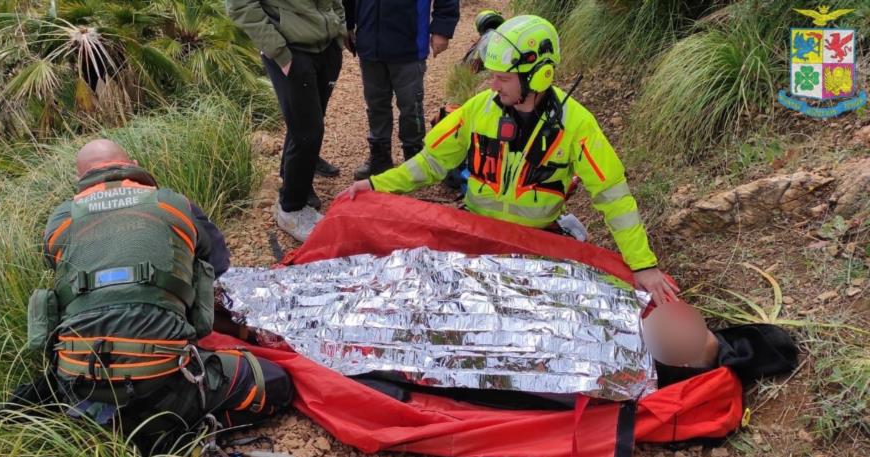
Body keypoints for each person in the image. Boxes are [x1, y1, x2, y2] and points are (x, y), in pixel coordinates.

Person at [337, 15, 679, 307]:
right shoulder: (477, 110)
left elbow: (613, 197)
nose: (492, 84)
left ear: (539, 76)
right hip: (475, 235)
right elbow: (429, 164)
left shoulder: (577, 125)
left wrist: (642, 265)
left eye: (502, 77)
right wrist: (377, 184)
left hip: (537, 244)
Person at [35, 139, 293, 454]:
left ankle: (111, 432)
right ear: (129, 164)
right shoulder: (171, 203)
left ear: (81, 177)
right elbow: (218, 266)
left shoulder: (60, 219)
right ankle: (185, 430)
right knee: (276, 383)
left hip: (80, 389)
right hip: (166, 384)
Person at [226, 0, 348, 241]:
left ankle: (292, 181)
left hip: (326, 46)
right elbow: (240, 6)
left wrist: (339, 30)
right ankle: (291, 207)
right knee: (308, 132)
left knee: (307, 124)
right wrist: (279, 52)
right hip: (291, 51)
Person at [343, 0, 460, 180]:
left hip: (409, 46)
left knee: (410, 106)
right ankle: (380, 157)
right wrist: (347, 24)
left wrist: (442, 30)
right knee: (376, 105)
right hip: (369, 44)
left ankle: (413, 157)